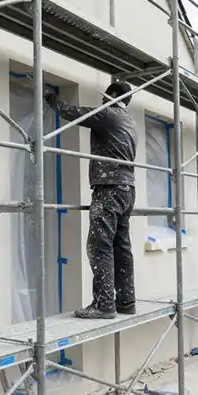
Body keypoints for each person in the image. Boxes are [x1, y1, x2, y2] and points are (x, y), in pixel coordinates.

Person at [44, 81, 138, 319]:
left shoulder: (109, 113)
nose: (103, 100)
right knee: (121, 246)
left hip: (109, 188)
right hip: (127, 189)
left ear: (114, 96)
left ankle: (104, 304)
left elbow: (73, 113)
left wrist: (51, 100)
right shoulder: (130, 121)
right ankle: (126, 301)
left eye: (107, 96)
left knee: (99, 245)